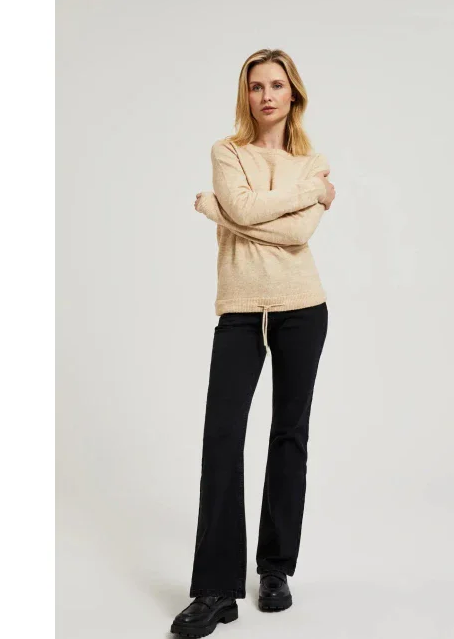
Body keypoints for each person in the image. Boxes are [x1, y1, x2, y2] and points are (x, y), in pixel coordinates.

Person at [170, 48, 336, 638]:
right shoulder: (228, 152)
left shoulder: (312, 161)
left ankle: (275, 569)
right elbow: (248, 207)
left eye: (277, 85)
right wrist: (248, 206)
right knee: (222, 437)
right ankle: (216, 589)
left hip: (303, 307)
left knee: (289, 435)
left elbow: (296, 233)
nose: (267, 95)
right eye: (256, 86)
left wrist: (218, 211)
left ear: (294, 94)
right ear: (247, 95)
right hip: (240, 310)